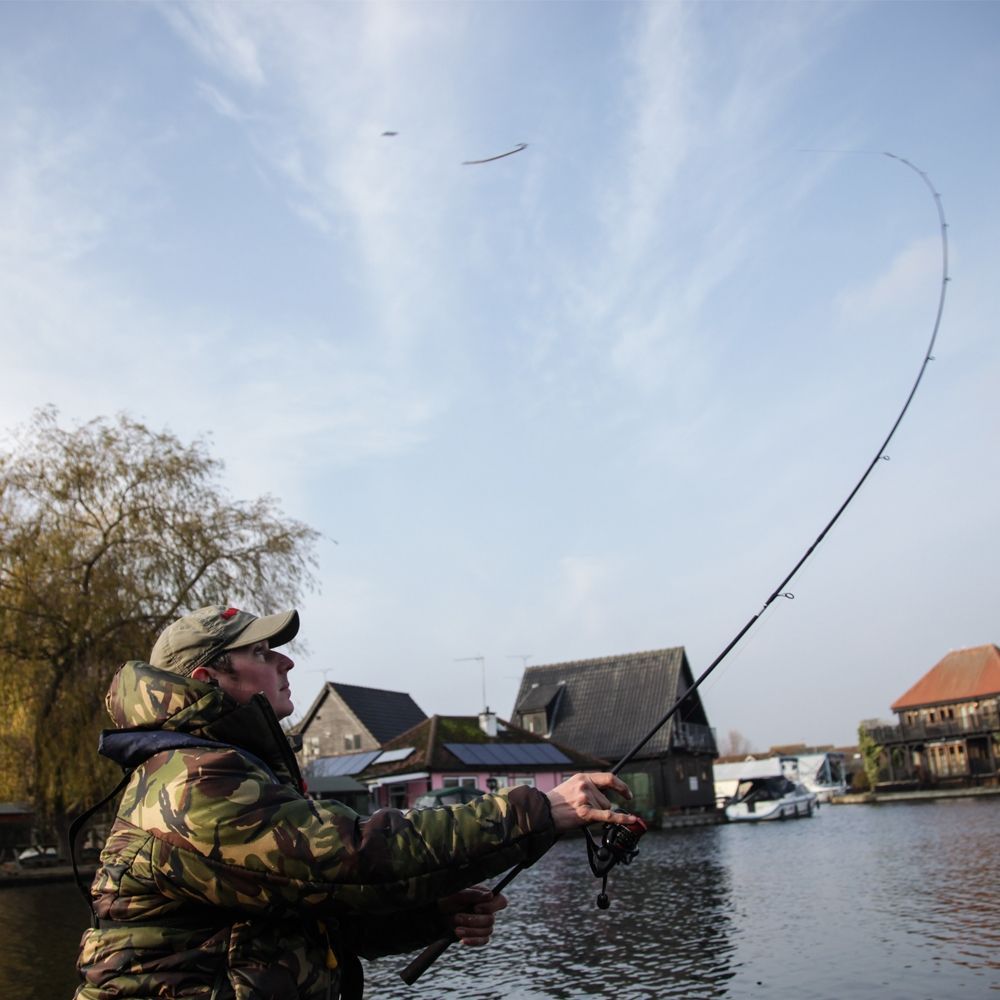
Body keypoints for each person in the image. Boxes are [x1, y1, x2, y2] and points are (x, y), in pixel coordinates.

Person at [75, 605, 635, 1000]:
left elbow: (309, 915)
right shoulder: (192, 783)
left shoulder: (228, 769)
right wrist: (537, 810)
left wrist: (429, 915)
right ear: (207, 678)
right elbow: (353, 859)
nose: (287, 663)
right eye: (263, 653)